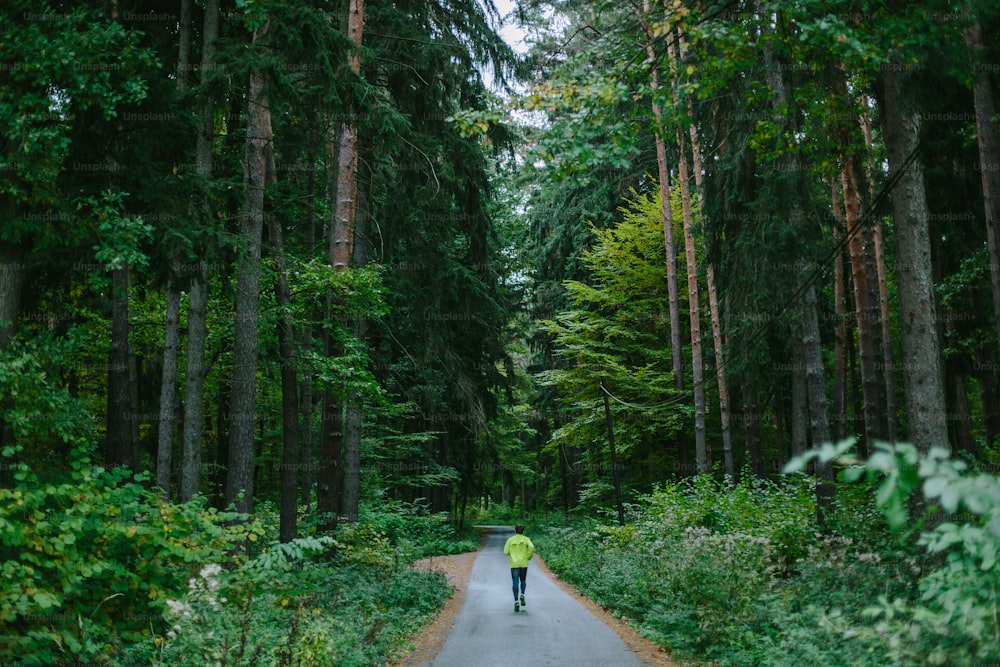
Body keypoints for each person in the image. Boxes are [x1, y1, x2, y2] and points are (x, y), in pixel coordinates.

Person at [503, 524, 535, 612]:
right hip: (524, 563)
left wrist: (512, 553)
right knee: (523, 580)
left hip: (514, 564)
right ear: (523, 531)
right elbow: (531, 547)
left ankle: (516, 602)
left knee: (515, 582)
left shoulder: (510, 540)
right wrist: (528, 556)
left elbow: (505, 552)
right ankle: (522, 595)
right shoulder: (526, 539)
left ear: (515, 531)